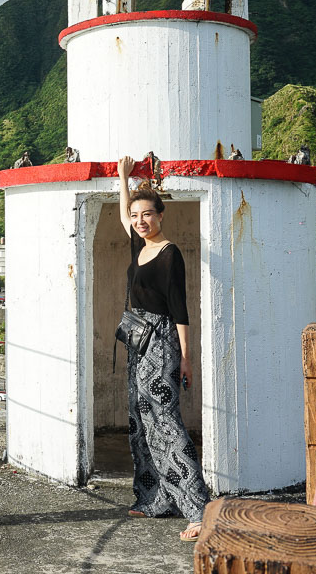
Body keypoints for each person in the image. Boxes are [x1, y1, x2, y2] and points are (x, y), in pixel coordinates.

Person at [117, 155, 210, 542]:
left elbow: (180, 308)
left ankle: (198, 508)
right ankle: (157, 498)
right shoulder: (138, 244)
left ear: (161, 216)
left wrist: (186, 357)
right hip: (138, 342)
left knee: (167, 424)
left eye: (147, 215)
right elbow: (124, 215)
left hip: (163, 341)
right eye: (137, 215)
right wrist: (124, 179)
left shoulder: (170, 253)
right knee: (141, 423)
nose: (140, 220)